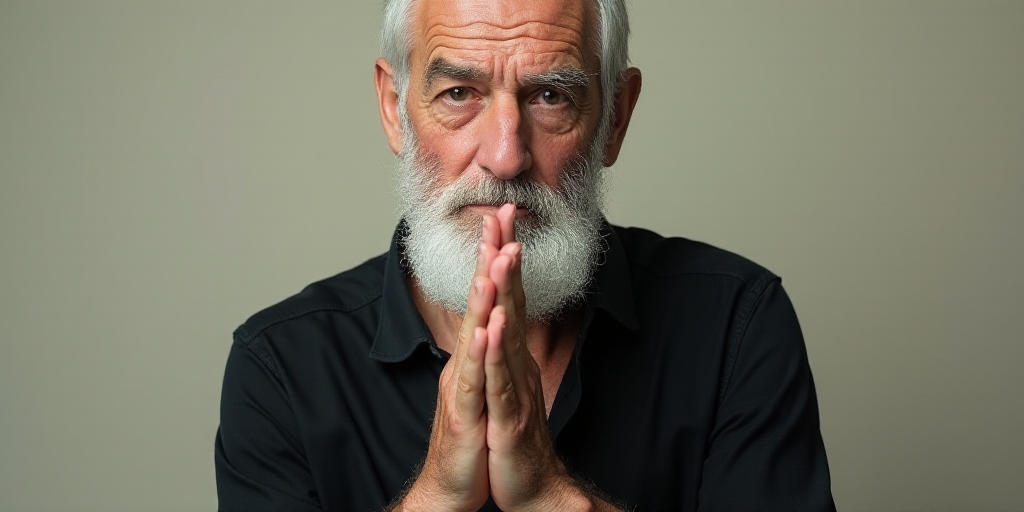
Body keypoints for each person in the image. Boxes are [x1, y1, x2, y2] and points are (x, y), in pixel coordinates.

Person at [214, 0, 836, 510]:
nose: (506, 157)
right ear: (394, 108)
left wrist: (549, 496)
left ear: (614, 118)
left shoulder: (735, 325)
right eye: (459, 92)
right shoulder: (279, 368)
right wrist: (433, 497)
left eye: (550, 96)